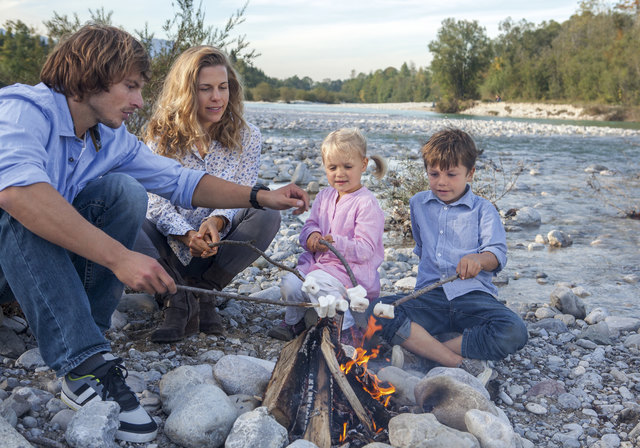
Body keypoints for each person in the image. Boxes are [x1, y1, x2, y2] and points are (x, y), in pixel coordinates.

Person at [0, 25, 307, 443]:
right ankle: (83, 361)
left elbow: (182, 182)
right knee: (25, 207)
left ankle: (86, 333)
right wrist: (120, 258)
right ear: (90, 77)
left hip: (27, 267)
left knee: (122, 192)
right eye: (130, 87)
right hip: (6, 253)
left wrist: (260, 196)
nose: (139, 101)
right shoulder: (21, 110)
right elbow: (21, 196)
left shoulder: (106, 136)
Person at [134, 46, 280, 342]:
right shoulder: (160, 135)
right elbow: (155, 204)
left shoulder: (248, 136)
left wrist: (216, 222)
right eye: (206, 89)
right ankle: (177, 297)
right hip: (167, 249)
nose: (217, 97)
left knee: (266, 208)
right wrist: (187, 235)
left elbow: (243, 192)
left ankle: (206, 292)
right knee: (126, 207)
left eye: (223, 87)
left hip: (218, 250)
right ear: (187, 91)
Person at [368, 128, 527, 371]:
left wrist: (479, 260)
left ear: (470, 173)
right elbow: (422, 248)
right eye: (434, 174)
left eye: (452, 174)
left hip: (472, 298)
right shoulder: (417, 203)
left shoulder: (484, 209)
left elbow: (496, 255)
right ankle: (455, 361)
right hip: (429, 298)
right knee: (374, 310)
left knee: (514, 330)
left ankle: (425, 350)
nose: (442, 182)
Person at [268, 128, 386, 345]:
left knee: (316, 284)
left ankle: (347, 330)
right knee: (291, 284)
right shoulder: (324, 196)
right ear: (324, 167)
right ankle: (294, 321)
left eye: (347, 167)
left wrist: (335, 243)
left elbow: (366, 249)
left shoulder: (366, 203)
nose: (340, 173)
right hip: (316, 265)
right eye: (332, 167)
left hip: (350, 274)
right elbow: (310, 224)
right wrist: (311, 235)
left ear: (363, 164)